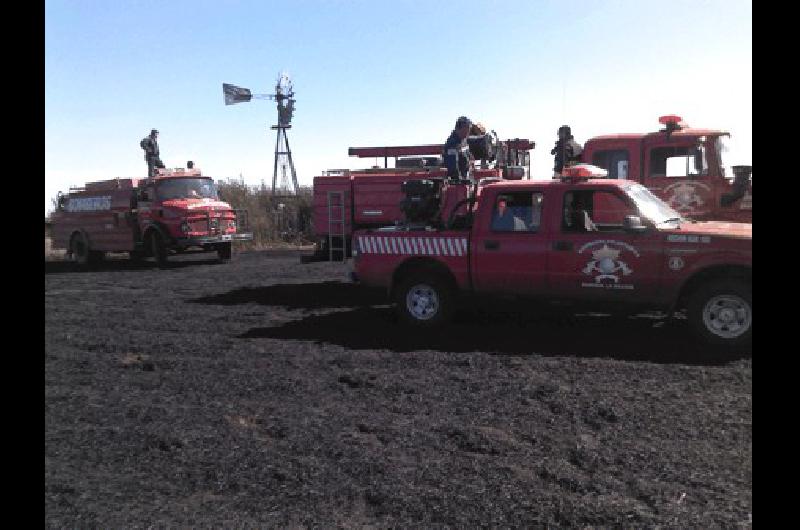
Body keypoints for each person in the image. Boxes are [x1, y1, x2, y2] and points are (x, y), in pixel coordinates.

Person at [443, 116, 472, 181]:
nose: (468, 133)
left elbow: (468, 157)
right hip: (457, 181)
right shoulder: (452, 144)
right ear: (458, 129)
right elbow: (452, 164)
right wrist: (459, 180)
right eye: (466, 129)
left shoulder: (463, 141)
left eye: (469, 129)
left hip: (465, 176)